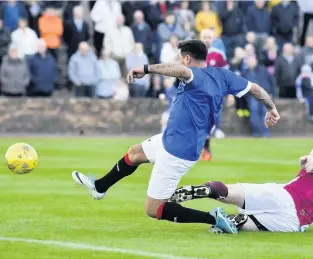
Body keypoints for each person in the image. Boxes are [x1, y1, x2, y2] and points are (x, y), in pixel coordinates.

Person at [72, 39, 280, 234]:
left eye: (181, 57)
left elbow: (180, 70)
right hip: (169, 138)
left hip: (177, 151)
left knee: (153, 209)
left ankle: (215, 219)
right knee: (135, 153)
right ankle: (99, 187)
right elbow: (255, 88)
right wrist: (271, 108)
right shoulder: (222, 75)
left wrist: (145, 69)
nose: (181, 62)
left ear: (188, 59)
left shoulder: (192, 74)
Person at [170, 145, 313, 233]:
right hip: (293, 222)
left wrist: (310, 161)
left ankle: (210, 190)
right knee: (250, 223)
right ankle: (234, 221)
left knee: (231, 192)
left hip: (284, 195)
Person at [200, 28, 229, 160]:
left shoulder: (218, 55)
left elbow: (226, 75)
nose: (206, 39)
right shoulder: (192, 54)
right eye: (204, 37)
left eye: (209, 37)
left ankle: (206, 150)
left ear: (213, 39)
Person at [243, 55, 276, 137]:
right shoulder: (244, 73)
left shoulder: (263, 70)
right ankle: (256, 132)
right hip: (252, 96)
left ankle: (265, 133)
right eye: (249, 61)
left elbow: (270, 81)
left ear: (256, 61)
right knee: (254, 113)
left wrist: (271, 92)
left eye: (252, 61)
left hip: (264, 95)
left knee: (265, 114)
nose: (251, 62)